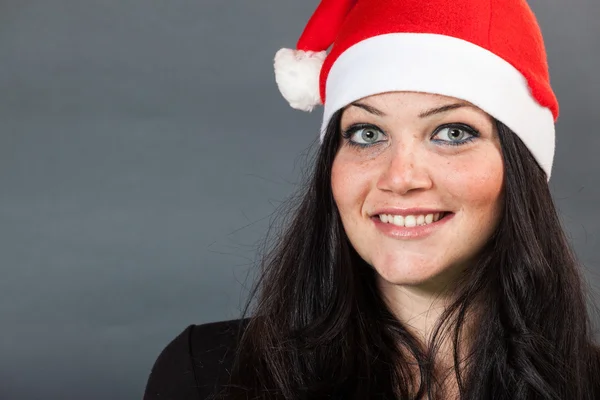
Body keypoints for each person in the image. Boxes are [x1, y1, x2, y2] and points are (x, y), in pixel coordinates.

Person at [143, 0, 600, 399]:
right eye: (367, 133)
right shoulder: (206, 374)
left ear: (520, 169)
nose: (400, 178)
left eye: (452, 132)